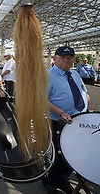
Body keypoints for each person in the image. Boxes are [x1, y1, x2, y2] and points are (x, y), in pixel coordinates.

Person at [42, 46, 95, 194]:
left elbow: (85, 94)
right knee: (58, 154)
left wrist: (92, 111)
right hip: (60, 122)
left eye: (70, 57)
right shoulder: (47, 76)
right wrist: (61, 113)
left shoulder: (75, 74)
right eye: (63, 57)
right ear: (55, 58)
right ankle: (50, 182)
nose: (67, 60)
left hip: (79, 121)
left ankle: (62, 179)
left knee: (73, 153)